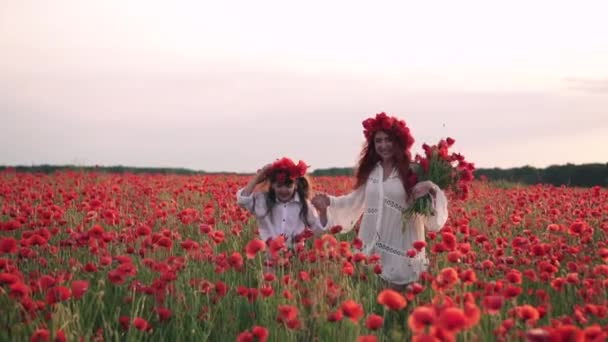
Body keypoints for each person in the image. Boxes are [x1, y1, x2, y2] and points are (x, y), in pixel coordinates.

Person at [312, 112, 448, 290]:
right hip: (373, 246)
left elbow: (432, 214)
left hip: (403, 245)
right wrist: (327, 204)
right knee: (375, 304)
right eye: (378, 141)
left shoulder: (412, 171)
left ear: (399, 141)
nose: (383, 145)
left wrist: (431, 188)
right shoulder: (372, 172)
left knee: (402, 305)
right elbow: (354, 201)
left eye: (388, 140)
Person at [236, 157, 328, 253]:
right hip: (269, 255)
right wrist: (257, 178)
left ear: (295, 184)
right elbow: (243, 201)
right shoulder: (263, 200)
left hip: (295, 256)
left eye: (288, 186)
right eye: (279, 186)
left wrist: (323, 211)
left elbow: (318, 228)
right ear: (272, 185)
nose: (284, 190)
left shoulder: (304, 204)